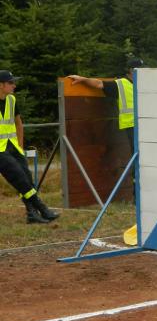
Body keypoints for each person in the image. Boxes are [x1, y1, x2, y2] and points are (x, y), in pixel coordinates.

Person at [0, 70, 60, 224]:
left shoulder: (11, 100)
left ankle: (31, 213)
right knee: (20, 178)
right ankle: (42, 208)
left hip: (13, 146)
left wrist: (20, 146)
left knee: (26, 178)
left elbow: (18, 123)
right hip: (0, 151)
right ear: (1, 85)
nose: (14, 85)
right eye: (11, 82)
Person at [67, 57, 143, 155]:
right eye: (140, 69)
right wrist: (83, 79)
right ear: (132, 70)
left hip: (145, 122)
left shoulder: (143, 83)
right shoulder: (121, 84)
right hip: (131, 124)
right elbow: (99, 84)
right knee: (138, 152)